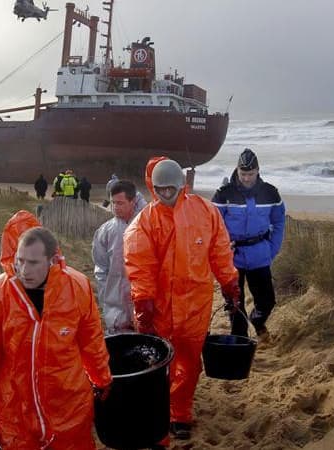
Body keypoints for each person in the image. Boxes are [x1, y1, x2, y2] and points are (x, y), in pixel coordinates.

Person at [0, 211, 112, 449]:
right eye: (19, 261)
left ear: (51, 258)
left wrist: (102, 379)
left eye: (33, 262)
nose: (24, 270)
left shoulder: (76, 287)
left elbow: (92, 340)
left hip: (69, 404)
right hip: (16, 411)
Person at [123, 157, 240, 441]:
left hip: (196, 304)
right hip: (160, 306)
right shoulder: (145, 223)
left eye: (170, 189)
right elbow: (140, 266)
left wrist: (230, 283)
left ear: (182, 186)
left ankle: (180, 414)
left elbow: (220, 251)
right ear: (153, 188)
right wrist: (144, 303)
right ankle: (159, 411)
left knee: (189, 361)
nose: (165, 195)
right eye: (160, 189)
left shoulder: (206, 212)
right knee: (160, 362)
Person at [212, 148, 285, 339]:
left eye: (250, 174)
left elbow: (278, 222)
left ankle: (258, 321)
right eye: (243, 174)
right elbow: (212, 225)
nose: (246, 178)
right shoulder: (223, 194)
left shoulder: (271, 193)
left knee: (267, 302)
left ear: (258, 170)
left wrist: (272, 249)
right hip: (231, 258)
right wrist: (222, 248)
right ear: (237, 170)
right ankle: (241, 343)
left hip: (260, 254)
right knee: (235, 306)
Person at [92, 180, 146, 334]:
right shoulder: (105, 231)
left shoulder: (146, 226)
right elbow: (100, 267)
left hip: (143, 300)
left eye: (120, 203)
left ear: (133, 201)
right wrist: (105, 295)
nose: (115, 207)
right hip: (115, 304)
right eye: (113, 203)